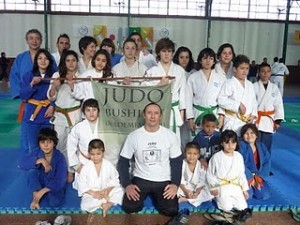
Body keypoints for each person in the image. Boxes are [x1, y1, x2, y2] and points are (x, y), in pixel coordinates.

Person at [117, 102, 183, 216]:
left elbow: (177, 162)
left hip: (163, 180)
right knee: (128, 207)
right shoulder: (134, 136)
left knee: (172, 210)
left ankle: (157, 197)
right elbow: (123, 162)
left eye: (156, 113)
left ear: (160, 116)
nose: (152, 116)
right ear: (144, 115)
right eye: (149, 113)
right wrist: (127, 185)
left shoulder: (170, 135)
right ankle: (148, 197)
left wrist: (175, 184)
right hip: (141, 178)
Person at [48, 50, 84, 182]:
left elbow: (82, 96)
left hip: (74, 114)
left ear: (77, 62)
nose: (71, 63)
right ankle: (62, 169)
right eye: (68, 60)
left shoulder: (81, 76)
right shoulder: (57, 75)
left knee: (73, 144)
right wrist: (54, 87)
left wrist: (72, 85)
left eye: (73, 60)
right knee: (60, 144)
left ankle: (71, 171)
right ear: (64, 62)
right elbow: (50, 96)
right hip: (60, 115)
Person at [205, 130, 252, 224]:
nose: (230, 146)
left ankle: (229, 217)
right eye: (227, 142)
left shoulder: (239, 156)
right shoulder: (216, 157)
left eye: (233, 142)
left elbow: (241, 174)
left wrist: (244, 189)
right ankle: (230, 216)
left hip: (235, 186)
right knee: (226, 206)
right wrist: (214, 188)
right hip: (221, 186)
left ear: (236, 143)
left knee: (243, 207)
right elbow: (210, 174)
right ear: (222, 143)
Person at [145, 38, 186, 141]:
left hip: (174, 110)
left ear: (172, 53)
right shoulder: (152, 71)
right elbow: (147, 93)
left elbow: (183, 93)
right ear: (159, 52)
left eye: (169, 51)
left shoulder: (179, 70)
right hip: (158, 110)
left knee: (174, 141)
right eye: (164, 51)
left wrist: (181, 113)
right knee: (157, 140)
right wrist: (160, 85)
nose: (166, 54)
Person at [19, 49, 56, 157]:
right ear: (36, 61)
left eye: (46, 58)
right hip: (32, 114)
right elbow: (23, 96)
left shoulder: (54, 76)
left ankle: (47, 168)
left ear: (50, 61)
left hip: (47, 114)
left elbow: (58, 94)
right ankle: (35, 169)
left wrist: (52, 106)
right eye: (40, 58)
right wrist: (31, 84)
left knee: (48, 145)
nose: (43, 61)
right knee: (33, 146)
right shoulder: (29, 75)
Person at [19, 128, 67, 209]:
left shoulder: (59, 156)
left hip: (53, 182)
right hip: (40, 180)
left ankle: (38, 195)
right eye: (42, 142)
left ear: (54, 143)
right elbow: (22, 164)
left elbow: (61, 179)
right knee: (31, 172)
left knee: (54, 202)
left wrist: (43, 191)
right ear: (39, 143)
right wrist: (40, 160)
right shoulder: (36, 152)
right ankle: (35, 198)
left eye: (49, 142)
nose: (45, 145)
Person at [186, 47, 226, 137]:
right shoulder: (193, 77)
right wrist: (190, 118)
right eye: (205, 58)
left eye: (211, 58)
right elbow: (188, 99)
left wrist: (221, 116)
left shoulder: (220, 78)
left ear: (214, 61)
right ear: (200, 61)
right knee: (196, 140)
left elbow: (223, 99)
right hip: (198, 113)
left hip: (214, 113)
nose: (208, 61)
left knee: (214, 140)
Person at [78, 139, 123, 217]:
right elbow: (82, 184)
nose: (95, 157)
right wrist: (94, 193)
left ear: (103, 153)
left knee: (121, 190)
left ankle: (108, 204)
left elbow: (115, 179)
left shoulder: (108, 165)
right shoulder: (86, 168)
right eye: (92, 154)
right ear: (89, 154)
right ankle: (107, 201)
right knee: (85, 205)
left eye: (98, 154)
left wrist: (108, 190)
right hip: (92, 193)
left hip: (106, 191)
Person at [217, 54, 257, 136]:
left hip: (247, 122)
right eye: (242, 68)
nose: (245, 71)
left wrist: (253, 115)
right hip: (233, 122)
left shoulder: (250, 85)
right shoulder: (229, 83)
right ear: (235, 69)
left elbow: (254, 102)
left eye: (247, 68)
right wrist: (238, 104)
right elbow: (221, 100)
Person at [67, 98, 102, 189]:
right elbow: (70, 147)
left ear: (98, 111)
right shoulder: (78, 127)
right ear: (83, 112)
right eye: (88, 110)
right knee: (85, 189)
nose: (91, 113)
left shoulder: (104, 126)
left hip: (101, 162)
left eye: (94, 110)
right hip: (84, 162)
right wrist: (76, 165)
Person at [253, 62, 284, 154]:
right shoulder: (253, 86)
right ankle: (256, 166)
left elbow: (278, 104)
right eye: (263, 71)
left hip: (268, 121)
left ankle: (266, 167)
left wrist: (278, 120)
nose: (265, 73)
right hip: (256, 119)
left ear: (270, 73)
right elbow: (250, 103)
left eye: (268, 71)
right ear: (259, 73)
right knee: (255, 145)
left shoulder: (274, 88)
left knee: (267, 146)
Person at [239, 124, 271, 200]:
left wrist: (259, 178)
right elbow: (240, 164)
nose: (249, 135)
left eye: (252, 133)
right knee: (248, 196)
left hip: (258, 175)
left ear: (256, 135)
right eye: (246, 133)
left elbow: (267, 162)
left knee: (264, 195)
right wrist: (250, 179)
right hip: (244, 176)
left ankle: (255, 187)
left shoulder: (261, 146)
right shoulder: (241, 146)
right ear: (242, 136)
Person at [173, 46, 196, 149]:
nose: (184, 60)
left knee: (189, 135)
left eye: (187, 57)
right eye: (181, 57)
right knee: (178, 135)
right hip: (178, 108)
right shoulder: (174, 72)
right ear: (177, 58)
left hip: (191, 108)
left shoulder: (194, 73)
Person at [177, 142, 213, 207]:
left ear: (198, 155)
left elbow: (202, 181)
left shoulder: (201, 165)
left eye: (195, 154)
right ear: (185, 154)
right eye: (189, 153)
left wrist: (197, 192)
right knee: (175, 189)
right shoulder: (182, 163)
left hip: (197, 188)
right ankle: (194, 198)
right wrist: (186, 191)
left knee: (211, 193)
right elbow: (180, 179)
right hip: (185, 187)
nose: (192, 156)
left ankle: (186, 199)